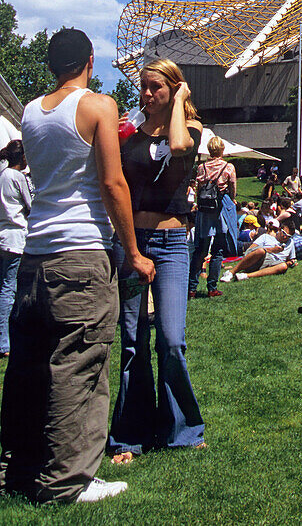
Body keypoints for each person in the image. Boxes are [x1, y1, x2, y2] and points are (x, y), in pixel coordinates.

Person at [0, 28, 155, 504]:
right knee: (79, 366)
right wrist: (132, 252)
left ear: (50, 64)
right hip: (82, 253)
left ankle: (17, 469)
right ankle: (68, 481)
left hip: (35, 255)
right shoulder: (98, 106)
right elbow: (112, 183)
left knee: (27, 368)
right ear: (91, 59)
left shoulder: (28, 111)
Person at [108, 59, 204, 465]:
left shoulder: (191, 130)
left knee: (171, 339)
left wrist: (180, 101)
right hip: (133, 242)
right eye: (143, 88)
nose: (146, 95)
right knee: (132, 341)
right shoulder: (128, 135)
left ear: (174, 89)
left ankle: (183, 427)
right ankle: (129, 435)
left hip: (172, 244)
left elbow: (180, 146)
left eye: (155, 88)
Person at [188, 136, 237, 298]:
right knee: (218, 250)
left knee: (200, 250)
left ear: (209, 150)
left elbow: (200, 186)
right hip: (220, 209)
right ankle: (212, 287)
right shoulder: (228, 167)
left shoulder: (201, 167)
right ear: (222, 150)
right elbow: (233, 188)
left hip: (204, 209)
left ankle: (192, 288)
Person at [0, 141, 32, 358]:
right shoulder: (17, 177)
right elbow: (31, 205)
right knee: (10, 289)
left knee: (4, 286)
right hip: (15, 238)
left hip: (3, 236)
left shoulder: (2, 176)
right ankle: (5, 342)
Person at [220, 217, 297, 281]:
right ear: (279, 229)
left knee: (283, 266)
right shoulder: (266, 237)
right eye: (284, 233)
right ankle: (231, 272)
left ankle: (246, 276)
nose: (285, 237)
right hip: (258, 259)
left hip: (274, 263)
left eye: (288, 236)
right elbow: (249, 250)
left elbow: (291, 259)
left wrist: (292, 262)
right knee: (261, 251)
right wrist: (271, 250)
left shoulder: (290, 243)